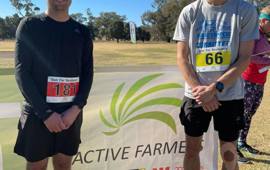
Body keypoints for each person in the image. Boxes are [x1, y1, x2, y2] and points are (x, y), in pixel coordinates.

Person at [173, 0, 259, 169]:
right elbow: (182, 58)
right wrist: (200, 92)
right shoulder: (189, 12)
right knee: (192, 150)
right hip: (196, 96)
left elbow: (244, 58)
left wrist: (214, 88)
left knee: (229, 154)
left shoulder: (245, 10)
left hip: (230, 95)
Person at [14, 0, 93, 169]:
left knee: (64, 164)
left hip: (70, 115)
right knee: (37, 167)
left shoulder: (83, 32)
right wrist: (46, 113)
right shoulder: (29, 25)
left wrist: (76, 108)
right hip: (38, 114)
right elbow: (22, 73)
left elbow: (87, 74)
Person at [237, 5, 270, 163]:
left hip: (260, 81)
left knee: (249, 114)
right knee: (242, 114)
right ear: (264, 21)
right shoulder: (254, 33)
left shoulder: (264, 35)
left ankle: (242, 142)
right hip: (248, 80)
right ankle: (234, 149)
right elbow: (250, 57)